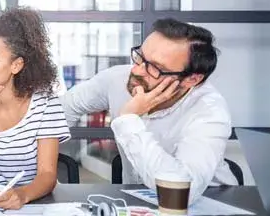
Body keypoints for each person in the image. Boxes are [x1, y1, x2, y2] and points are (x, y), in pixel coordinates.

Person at [62, 18, 237, 203]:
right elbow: (60, 110)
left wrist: (128, 119)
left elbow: (181, 192)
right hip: (137, 203)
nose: (137, 71)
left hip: (210, 206)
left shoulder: (210, 111)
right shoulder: (118, 78)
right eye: (140, 56)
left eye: (155, 68)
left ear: (191, 80)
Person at [0, 7, 71, 210]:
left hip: (31, 204)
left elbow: (47, 175)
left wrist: (21, 195)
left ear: (16, 65)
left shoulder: (45, 104)